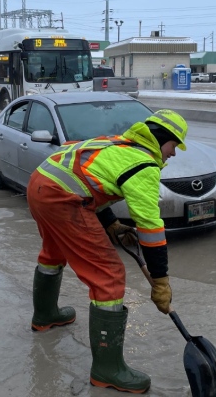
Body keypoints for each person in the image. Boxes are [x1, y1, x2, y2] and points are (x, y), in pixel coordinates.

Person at [26, 108, 188, 393]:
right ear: (162, 139)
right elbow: (151, 229)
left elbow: (88, 182)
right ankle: (107, 369)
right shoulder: (143, 165)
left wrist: (111, 224)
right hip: (62, 199)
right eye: (174, 146)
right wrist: (160, 280)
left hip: (40, 186)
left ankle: (46, 315)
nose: (173, 154)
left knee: (53, 253)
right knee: (109, 276)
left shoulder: (115, 143)